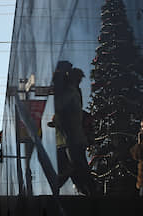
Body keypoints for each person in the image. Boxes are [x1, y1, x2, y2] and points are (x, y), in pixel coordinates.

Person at [52, 64, 96, 196]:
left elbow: (60, 106)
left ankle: (91, 191)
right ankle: (89, 191)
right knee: (77, 167)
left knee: (77, 166)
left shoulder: (71, 92)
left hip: (71, 138)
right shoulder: (75, 92)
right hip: (70, 138)